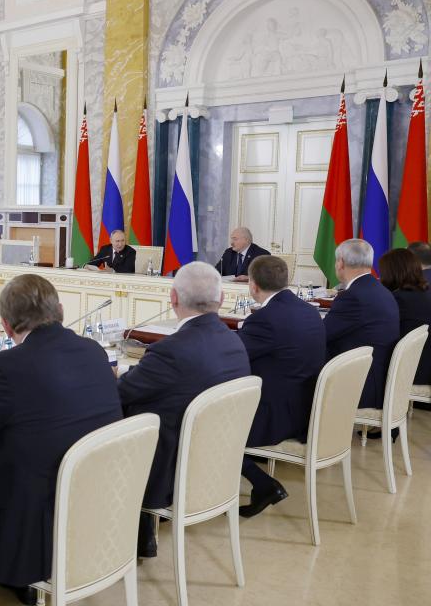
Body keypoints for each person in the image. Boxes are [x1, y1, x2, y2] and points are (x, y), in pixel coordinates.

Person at [0, 274, 122, 605]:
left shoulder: (4, 368)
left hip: (34, 513)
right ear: (59, 310)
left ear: (5, 325)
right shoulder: (92, 352)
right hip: (98, 497)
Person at [117, 261, 250, 557]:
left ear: (173, 299)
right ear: (222, 299)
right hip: (217, 466)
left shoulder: (170, 350)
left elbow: (121, 392)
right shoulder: (235, 342)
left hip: (167, 470)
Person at [237, 255, 326, 518]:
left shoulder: (264, 319)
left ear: (253, 286)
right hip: (304, 409)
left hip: (276, 417)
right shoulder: (310, 311)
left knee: (208, 424)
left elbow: (232, 356)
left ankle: (262, 484)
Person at [324, 239, 399, 409]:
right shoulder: (381, 290)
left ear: (340, 263)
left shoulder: (353, 296)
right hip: (378, 377)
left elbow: (322, 334)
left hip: (362, 384)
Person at [380, 248, 431, 389]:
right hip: (424, 368)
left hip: (412, 372)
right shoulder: (423, 292)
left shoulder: (399, 299)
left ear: (391, 272)